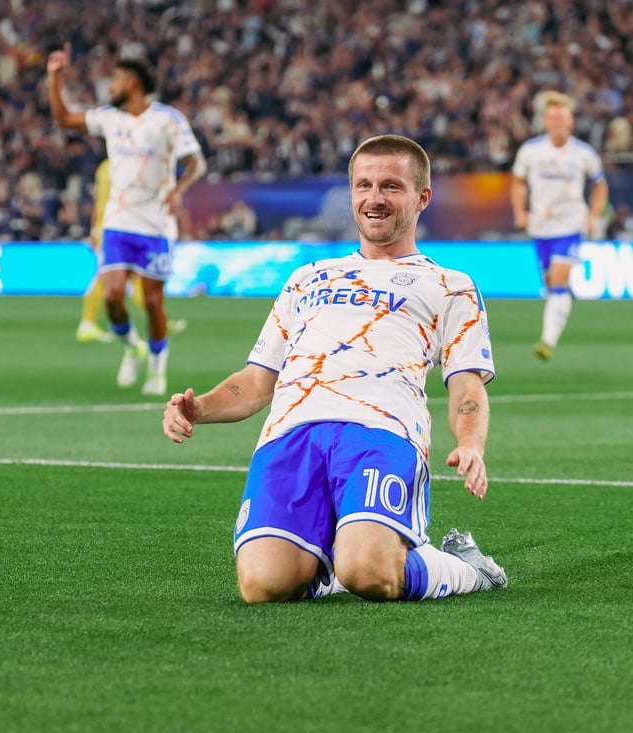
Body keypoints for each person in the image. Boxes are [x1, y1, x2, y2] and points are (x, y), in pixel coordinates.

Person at [162, 134, 507, 603]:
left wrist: (470, 444)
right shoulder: (307, 278)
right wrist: (199, 408)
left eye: (391, 186)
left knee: (371, 574)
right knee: (263, 586)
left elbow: (467, 384)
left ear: (422, 197)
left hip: (381, 432)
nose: (374, 198)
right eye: (364, 185)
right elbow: (257, 382)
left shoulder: (451, 285)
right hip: (291, 435)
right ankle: (331, 558)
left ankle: (467, 568)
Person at [47, 43, 206, 394]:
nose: (111, 86)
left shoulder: (167, 120)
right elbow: (63, 119)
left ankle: (158, 369)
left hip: (156, 224)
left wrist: (179, 190)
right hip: (118, 222)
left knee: (152, 301)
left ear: (132, 83)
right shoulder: (110, 117)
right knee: (113, 295)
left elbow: (197, 163)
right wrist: (54, 78)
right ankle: (132, 347)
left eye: (116, 80)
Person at [510, 90, 609, 360]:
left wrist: (594, 215)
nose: (557, 123)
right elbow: (517, 183)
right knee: (550, 283)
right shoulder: (530, 151)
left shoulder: (584, 153)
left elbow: (600, 185)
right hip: (540, 225)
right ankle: (564, 298)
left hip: (570, 224)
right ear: (545, 121)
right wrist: (520, 211)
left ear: (571, 121)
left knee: (558, 279)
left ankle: (547, 341)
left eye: (562, 118)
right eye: (552, 118)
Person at [75, 158, 187, 343]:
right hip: (118, 229)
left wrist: (94, 229)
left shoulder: (105, 167)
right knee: (106, 278)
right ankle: (87, 323)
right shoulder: (125, 167)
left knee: (135, 279)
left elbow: (98, 201)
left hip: (110, 228)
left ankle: (160, 320)